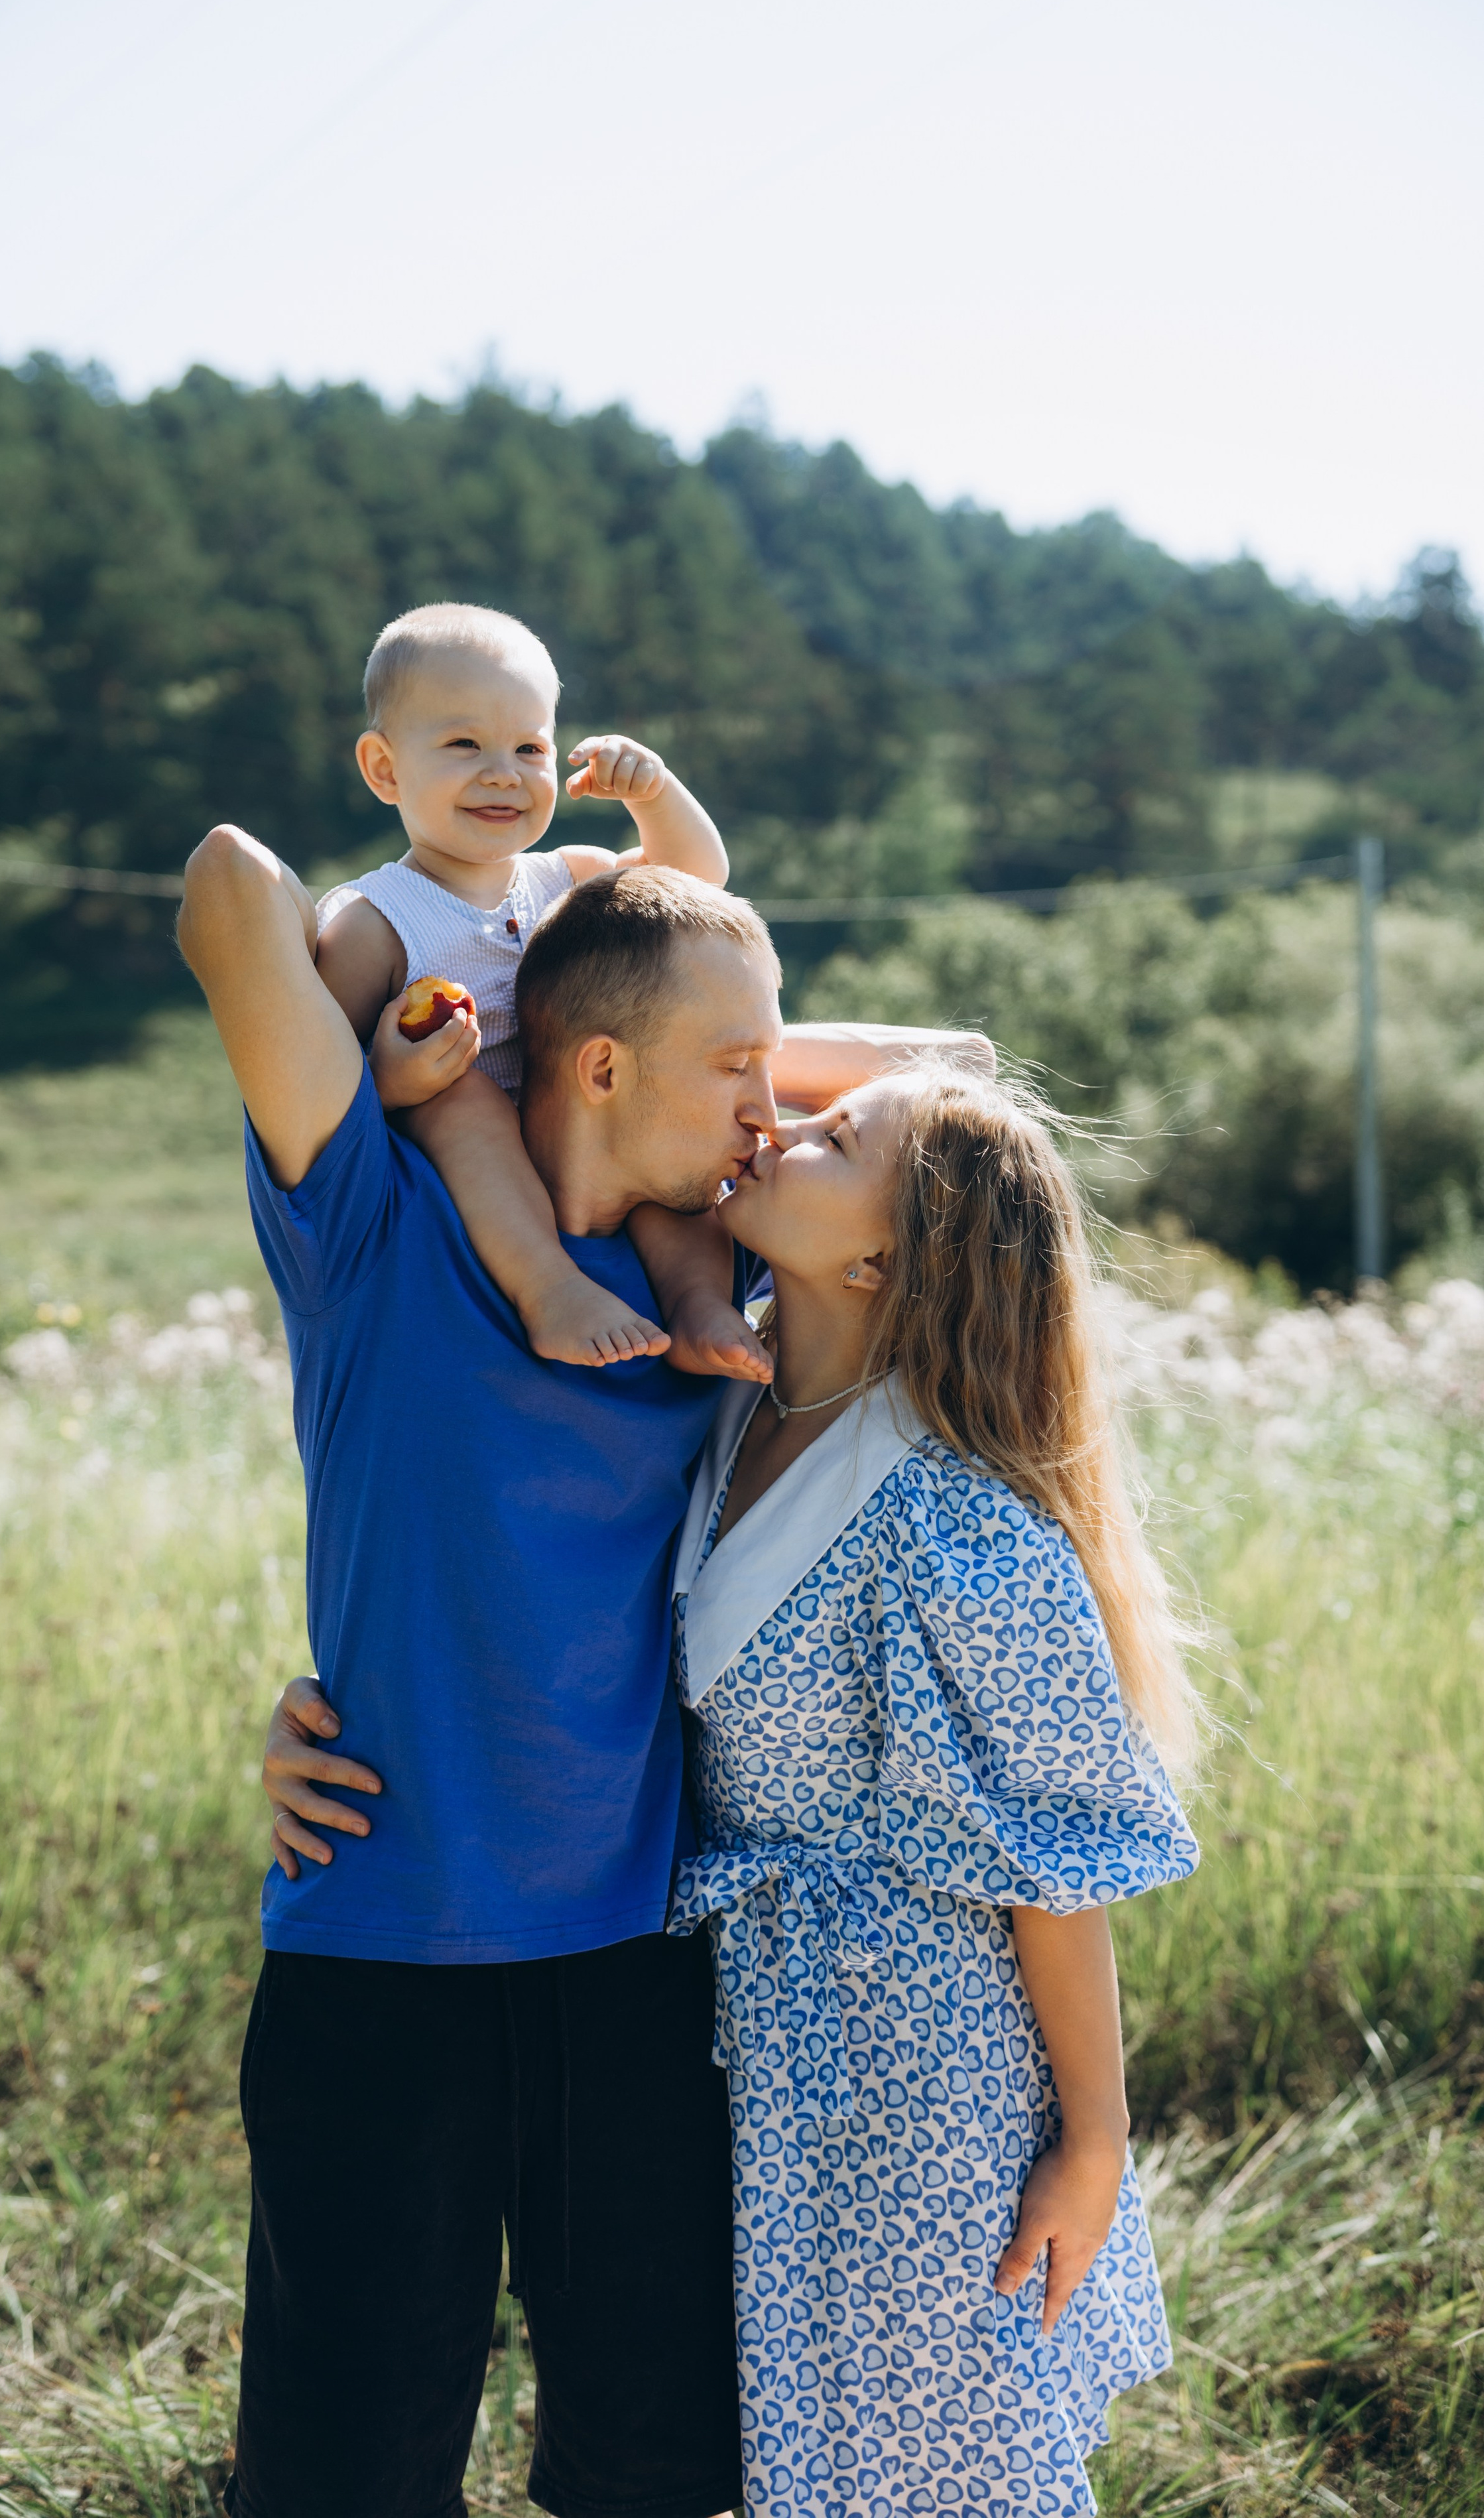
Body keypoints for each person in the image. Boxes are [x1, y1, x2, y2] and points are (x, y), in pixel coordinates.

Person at [176, 826, 985, 2518]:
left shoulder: (720, 1276)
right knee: (341, 2479)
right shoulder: (373, 1213)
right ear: (599, 1062)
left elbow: (953, 1072)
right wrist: (474, 910)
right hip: (383, 1942)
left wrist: (625, 990)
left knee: (651, 2474)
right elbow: (228, 886)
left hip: (644, 1959)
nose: (773, 1107)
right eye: (741, 1068)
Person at [663, 1067, 1202, 2517]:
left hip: (916, 2072)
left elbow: (1051, 1859)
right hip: (762, 2042)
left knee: (933, 2471)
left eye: (830, 1140)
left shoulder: (951, 1511)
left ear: (879, 1256)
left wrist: (1092, 2142)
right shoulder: (728, 1405)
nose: (773, 1123)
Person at [314, 598, 747, 1371]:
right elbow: (319, 1095)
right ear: (385, 768)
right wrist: (392, 1077)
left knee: (666, 1149)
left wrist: (653, 793)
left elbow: (695, 880)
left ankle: (700, 1307)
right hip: (473, 1170)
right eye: (463, 744)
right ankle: (550, 1289)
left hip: (587, 1137)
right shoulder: (373, 924)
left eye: (529, 749)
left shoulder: (569, 877)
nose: (502, 774)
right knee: (462, 1099)